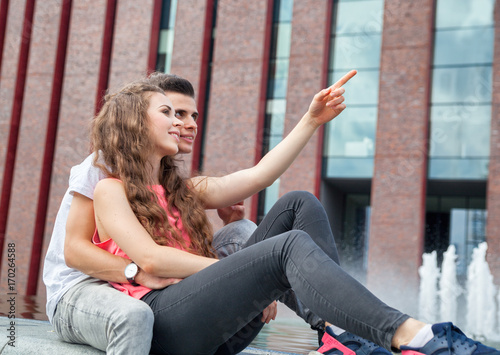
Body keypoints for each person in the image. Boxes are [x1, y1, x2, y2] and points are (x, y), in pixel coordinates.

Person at [85, 74, 499, 355]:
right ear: (134, 126)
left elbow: (260, 174)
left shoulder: (184, 190)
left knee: (298, 204)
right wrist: (238, 273)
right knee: (285, 250)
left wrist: (311, 120)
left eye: (183, 114)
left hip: (215, 324)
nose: (182, 122)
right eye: (168, 113)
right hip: (169, 328)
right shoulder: (110, 190)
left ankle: (338, 335)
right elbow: (151, 260)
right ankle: (419, 337)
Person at [43, 73, 257, 354]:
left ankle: (326, 330)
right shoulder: (101, 166)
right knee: (133, 316)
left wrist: (262, 283)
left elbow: (253, 178)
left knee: (243, 232)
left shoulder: (165, 174)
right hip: (86, 287)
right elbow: (74, 251)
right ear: (138, 117)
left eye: (192, 115)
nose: (186, 124)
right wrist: (134, 273)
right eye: (173, 113)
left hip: (151, 287)